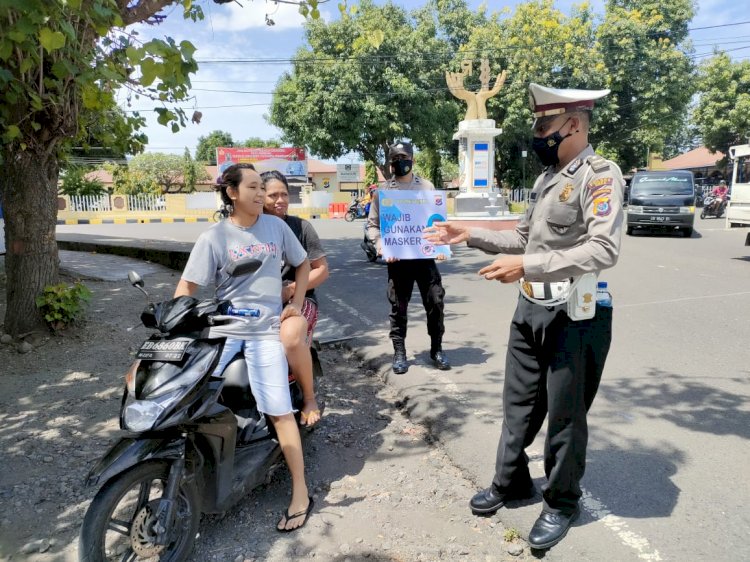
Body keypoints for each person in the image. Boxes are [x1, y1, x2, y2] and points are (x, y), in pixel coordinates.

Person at [424, 83, 624, 549]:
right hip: (530, 308)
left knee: (565, 418)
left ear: (573, 124)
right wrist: (468, 233)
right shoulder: (545, 180)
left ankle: (560, 502)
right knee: (518, 405)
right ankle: (511, 482)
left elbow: (603, 248)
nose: (536, 134)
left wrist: (525, 266)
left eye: (543, 125)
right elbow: (522, 238)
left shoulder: (599, 174)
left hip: (575, 316)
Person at [174, 163, 314, 532]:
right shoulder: (214, 237)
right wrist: (175, 324)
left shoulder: (277, 227)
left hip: (266, 330)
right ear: (232, 193)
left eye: (260, 188)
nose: (260, 194)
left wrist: (296, 302)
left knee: (279, 411)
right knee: (192, 391)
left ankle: (301, 491)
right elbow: (187, 287)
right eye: (252, 187)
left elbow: (302, 266)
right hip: (225, 327)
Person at [366, 141, 450, 374]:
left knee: (435, 302)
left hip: (424, 259)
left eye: (404, 157)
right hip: (398, 260)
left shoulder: (426, 187)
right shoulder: (383, 193)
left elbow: (437, 220)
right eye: (395, 159)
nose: (399, 162)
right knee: (398, 307)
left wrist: (441, 247)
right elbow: (373, 226)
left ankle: (437, 349)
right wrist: (382, 245)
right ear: (391, 163)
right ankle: (400, 352)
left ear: (412, 159)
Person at [262, 170, 329, 427]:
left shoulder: (301, 227)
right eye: (273, 195)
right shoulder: (251, 228)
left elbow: (321, 270)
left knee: (290, 338)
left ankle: (309, 398)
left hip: (301, 300)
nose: (280, 200)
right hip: (259, 305)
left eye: (284, 194)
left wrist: (291, 292)